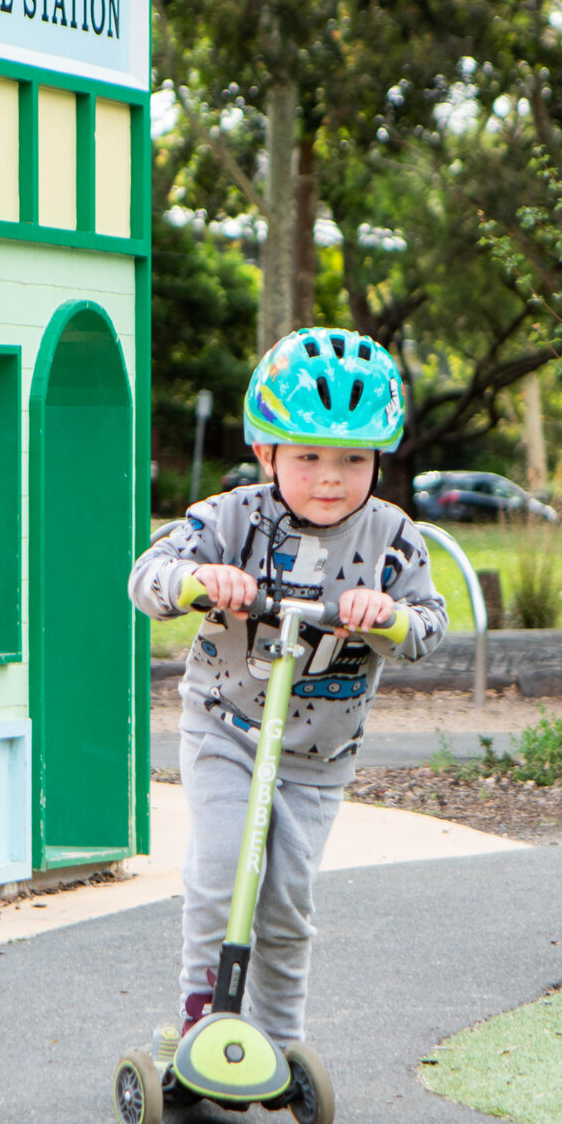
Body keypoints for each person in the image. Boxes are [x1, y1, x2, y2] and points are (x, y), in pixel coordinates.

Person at [128, 327, 449, 1062]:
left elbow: (431, 626)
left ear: (379, 461)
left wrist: (391, 616)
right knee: (218, 873)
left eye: (352, 459)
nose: (330, 477)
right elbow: (146, 577)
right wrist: (199, 581)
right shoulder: (231, 519)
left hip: (318, 752)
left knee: (285, 901)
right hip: (226, 726)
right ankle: (199, 1020)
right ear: (266, 451)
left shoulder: (395, 538)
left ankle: (280, 1039)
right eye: (307, 456)